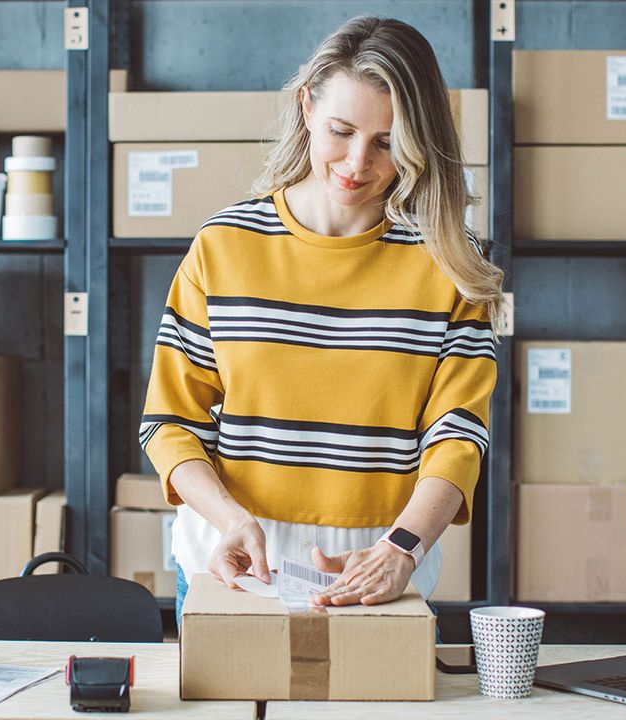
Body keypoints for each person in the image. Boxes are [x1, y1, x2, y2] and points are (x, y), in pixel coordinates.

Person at [139, 16, 504, 626]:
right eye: (341, 131)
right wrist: (230, 519)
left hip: (378, 573)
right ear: (306, 106)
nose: (357, 163)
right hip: (232, 572)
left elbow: (459, 436)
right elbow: (170, 422)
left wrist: (402, 548)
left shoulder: (447, 262)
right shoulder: (224, 246)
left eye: (387, 143)